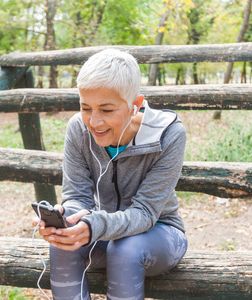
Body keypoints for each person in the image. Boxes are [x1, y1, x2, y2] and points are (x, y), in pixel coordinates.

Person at [33, 49, 188, 300]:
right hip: (103, 232)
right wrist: (67, 221)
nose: (94, 122)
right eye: (86, 108)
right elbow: (77, 197)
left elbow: (145, 213)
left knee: (125, 248)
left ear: (135, 106)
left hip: (160, 235)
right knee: (63, 243)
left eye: (106, 110)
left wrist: (94, 226)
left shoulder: (168, 134)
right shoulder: (78, 129)